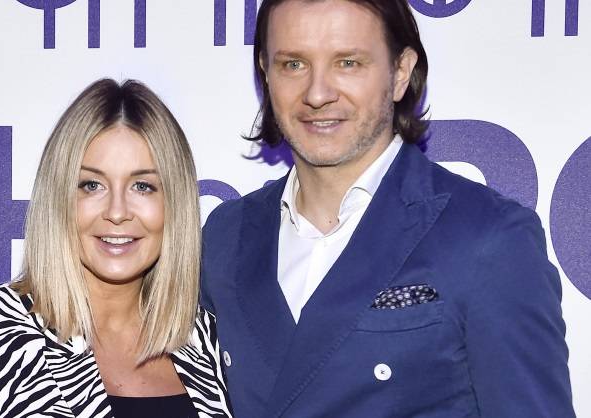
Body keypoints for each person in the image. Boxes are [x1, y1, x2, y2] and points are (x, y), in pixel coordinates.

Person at [201, 1, 575, 417]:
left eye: (347, 63)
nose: (317, 94)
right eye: (293, 64)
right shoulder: (225, 236)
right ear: (266, 72)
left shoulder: (489, 237)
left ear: (400, 73)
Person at [0, 79, 232, 418]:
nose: (117, 212)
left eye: (142, 186)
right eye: (91, 185)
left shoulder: (209, 344)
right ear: (58, 197)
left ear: (175, 204)